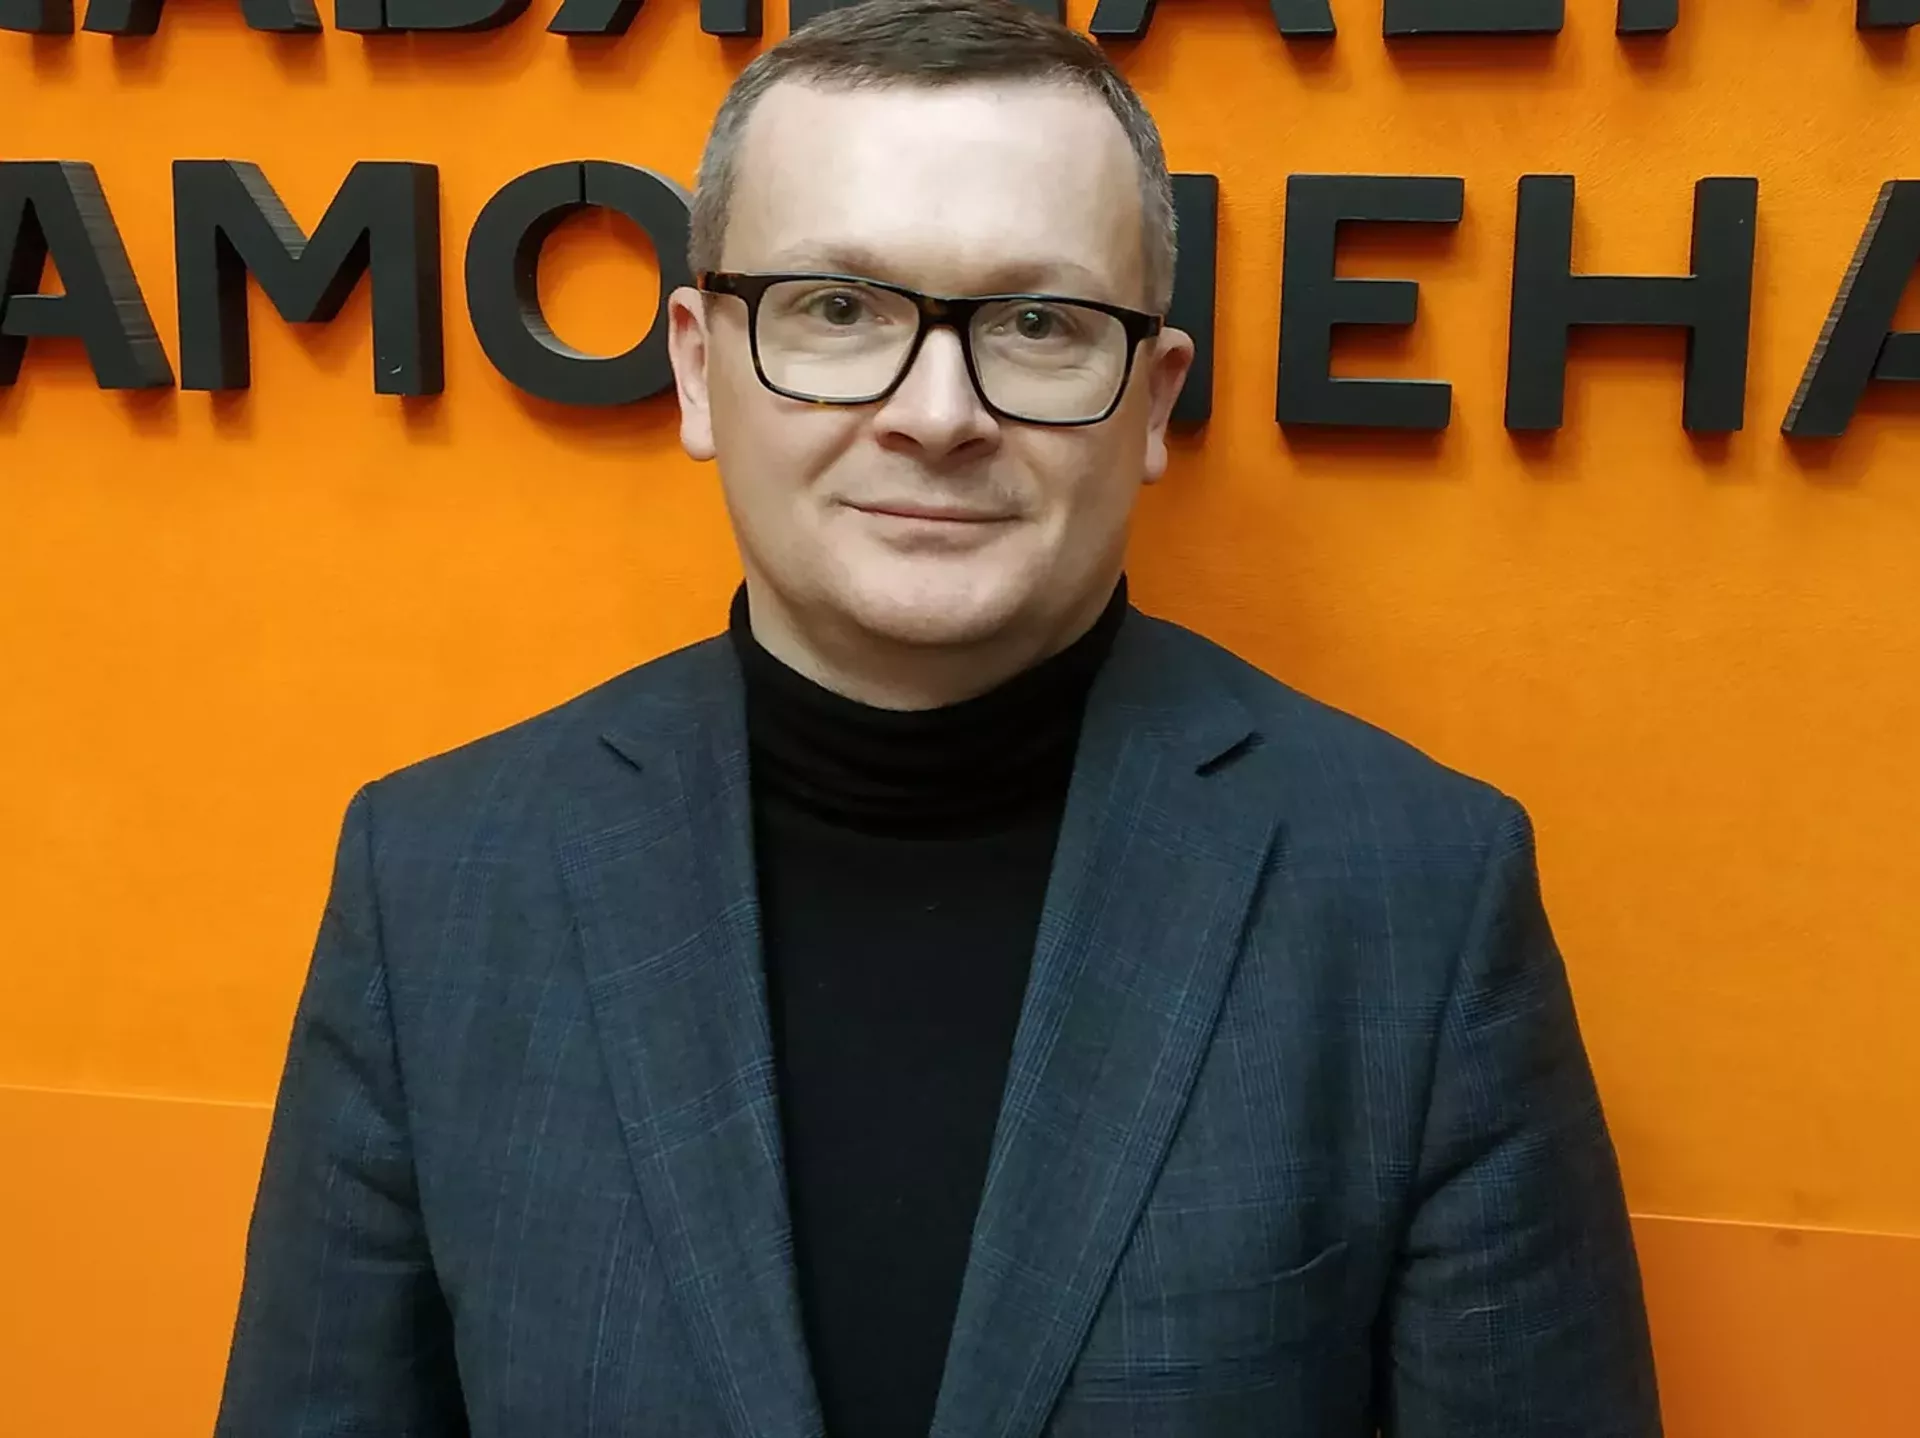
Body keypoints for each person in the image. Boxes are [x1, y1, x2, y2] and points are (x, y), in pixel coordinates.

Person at [213, 0, 1662, 1433]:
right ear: (699, 367)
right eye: (839, 309)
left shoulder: (1420, 896)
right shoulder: (435, 882)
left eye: (1037, 322)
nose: (938, 412)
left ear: (1154, 400)